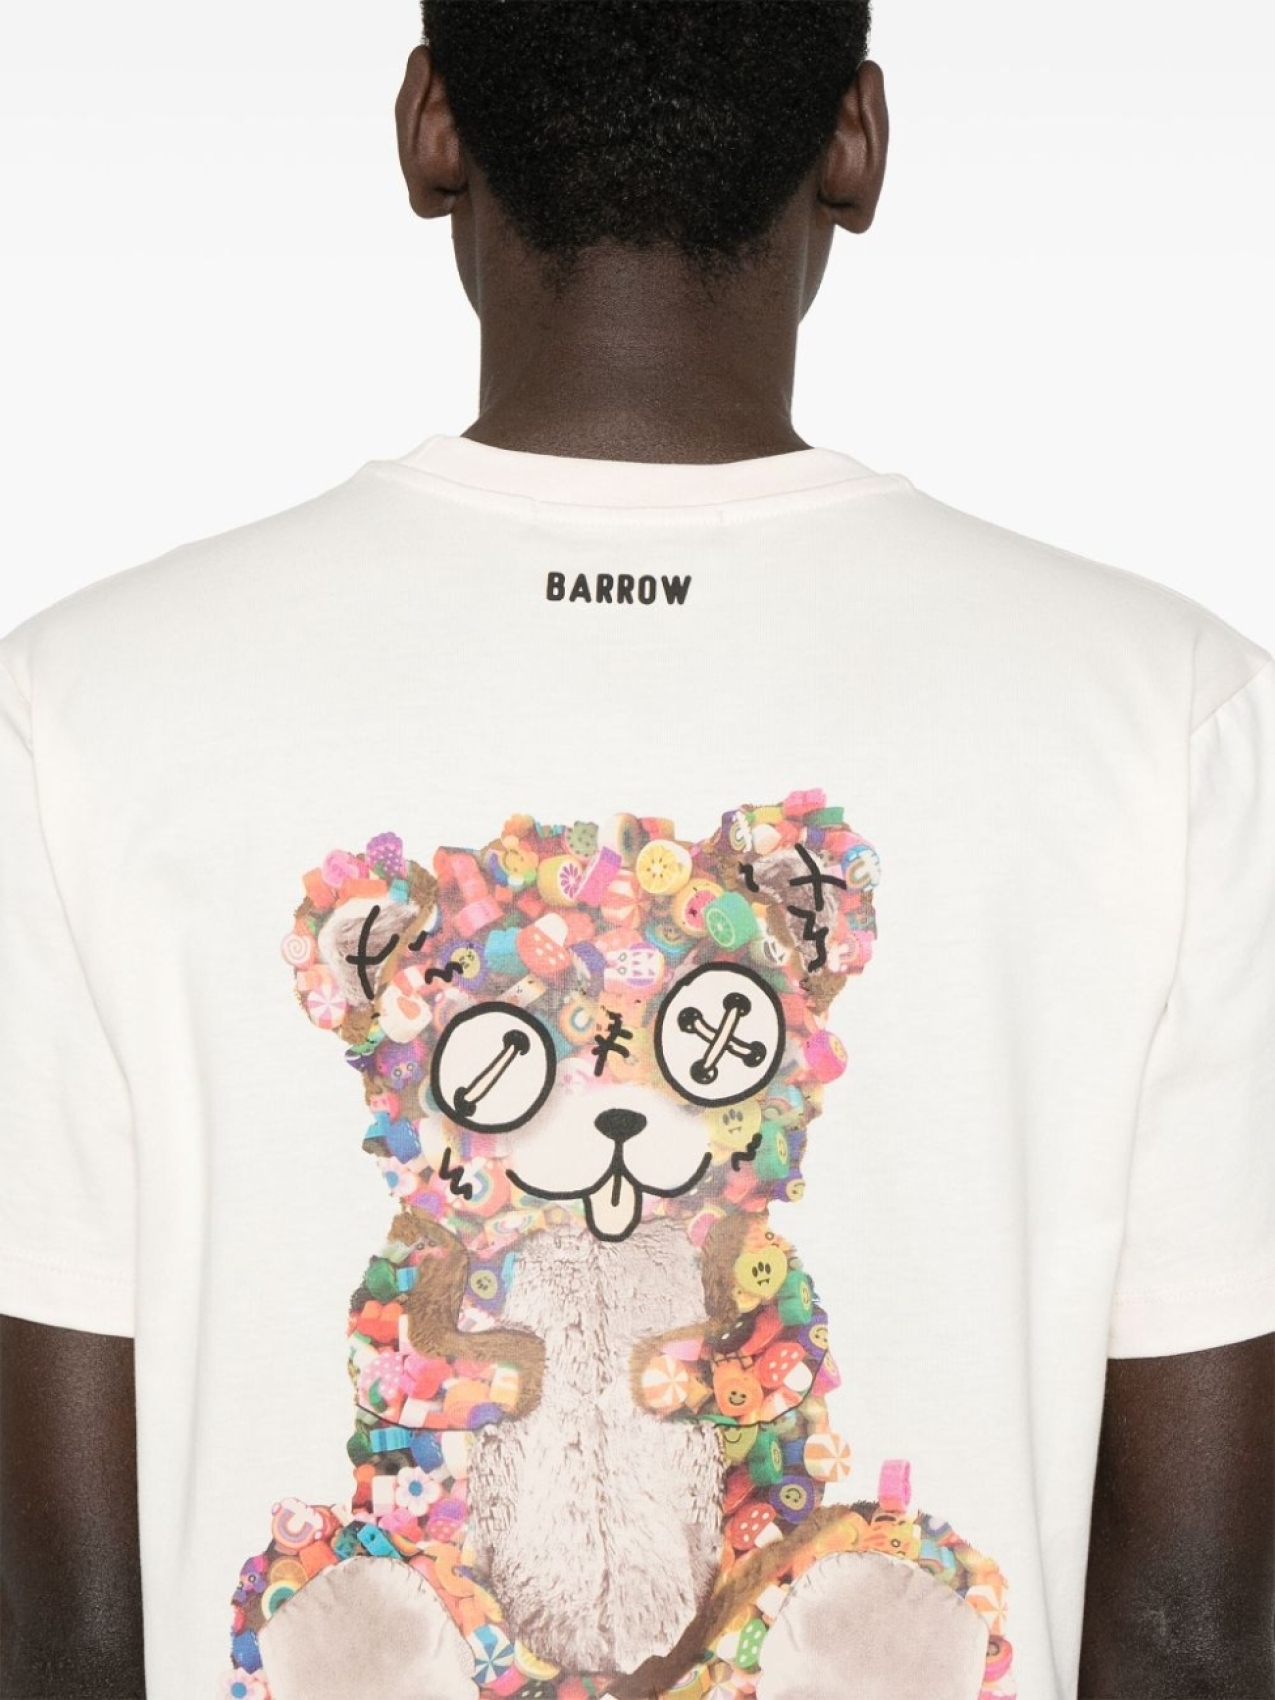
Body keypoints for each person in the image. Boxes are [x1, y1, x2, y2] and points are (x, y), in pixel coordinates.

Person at [1, 2, 1272, 1697]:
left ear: (429, 127)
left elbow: (68, 1623)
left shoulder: (89, 707)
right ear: (857, 141)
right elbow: (1194, 1626)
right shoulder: (1164, 716)